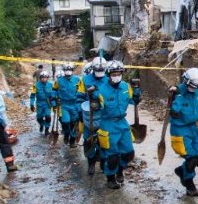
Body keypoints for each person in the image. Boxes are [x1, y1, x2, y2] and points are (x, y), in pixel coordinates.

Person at [168, 68, 198, 197]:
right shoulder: (178, 92)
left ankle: (181, 171)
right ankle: (189, 184)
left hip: (193, 127)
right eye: (192, 86)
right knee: (191, 159)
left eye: (197, 86)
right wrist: (177, 96)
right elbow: (174, 112)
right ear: (186, 81)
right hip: (179, 128)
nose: (194, 88)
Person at [92, 60, 141, 189]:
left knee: (128, 153)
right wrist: (94, 101)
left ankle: (120, 169)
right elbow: (97, 106)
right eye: (113, 73)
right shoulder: (101, 89)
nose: (116, 76)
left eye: (119, 73)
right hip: (107, 124)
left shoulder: (125, 86)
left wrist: (136, 93)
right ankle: (110, 177)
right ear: (108, 74)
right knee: (112, 156)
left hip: (122, 123)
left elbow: (132, 101)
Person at [77, 57, 107, 175]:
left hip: (104, 116)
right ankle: (91, 163)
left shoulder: (108, 80)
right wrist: (80, 113)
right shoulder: (85, 80)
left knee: (104, 141)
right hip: (89, 115)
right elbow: (79, 97)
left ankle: (104, 163)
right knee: (89, 140)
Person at [56, 63, 81, 146]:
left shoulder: (77, 80)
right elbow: (54, 90)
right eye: (66, 70)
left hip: (74, 105)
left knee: (74, 123)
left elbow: (81, 91)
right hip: (64, 105)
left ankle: (72, 140)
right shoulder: (59, 80)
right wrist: (55, 98)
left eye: (70, 70)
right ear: (64, 71)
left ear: (72, 71)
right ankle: (66, 134)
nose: (68, 72)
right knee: (66, 122)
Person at [30, 70, 57, 134]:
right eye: (42, 77)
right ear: (40, 78)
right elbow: (32, 96)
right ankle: (42, 124)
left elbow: (53, 95)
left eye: (45, 77)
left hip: (47, 103)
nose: (44, 79)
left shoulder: (51, 85)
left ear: (47, 78)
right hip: (39, 104)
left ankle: (47, 129)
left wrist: (54, 104)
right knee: (39, 117)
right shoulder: (36, 85)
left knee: (48, 116)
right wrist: (31, 104)